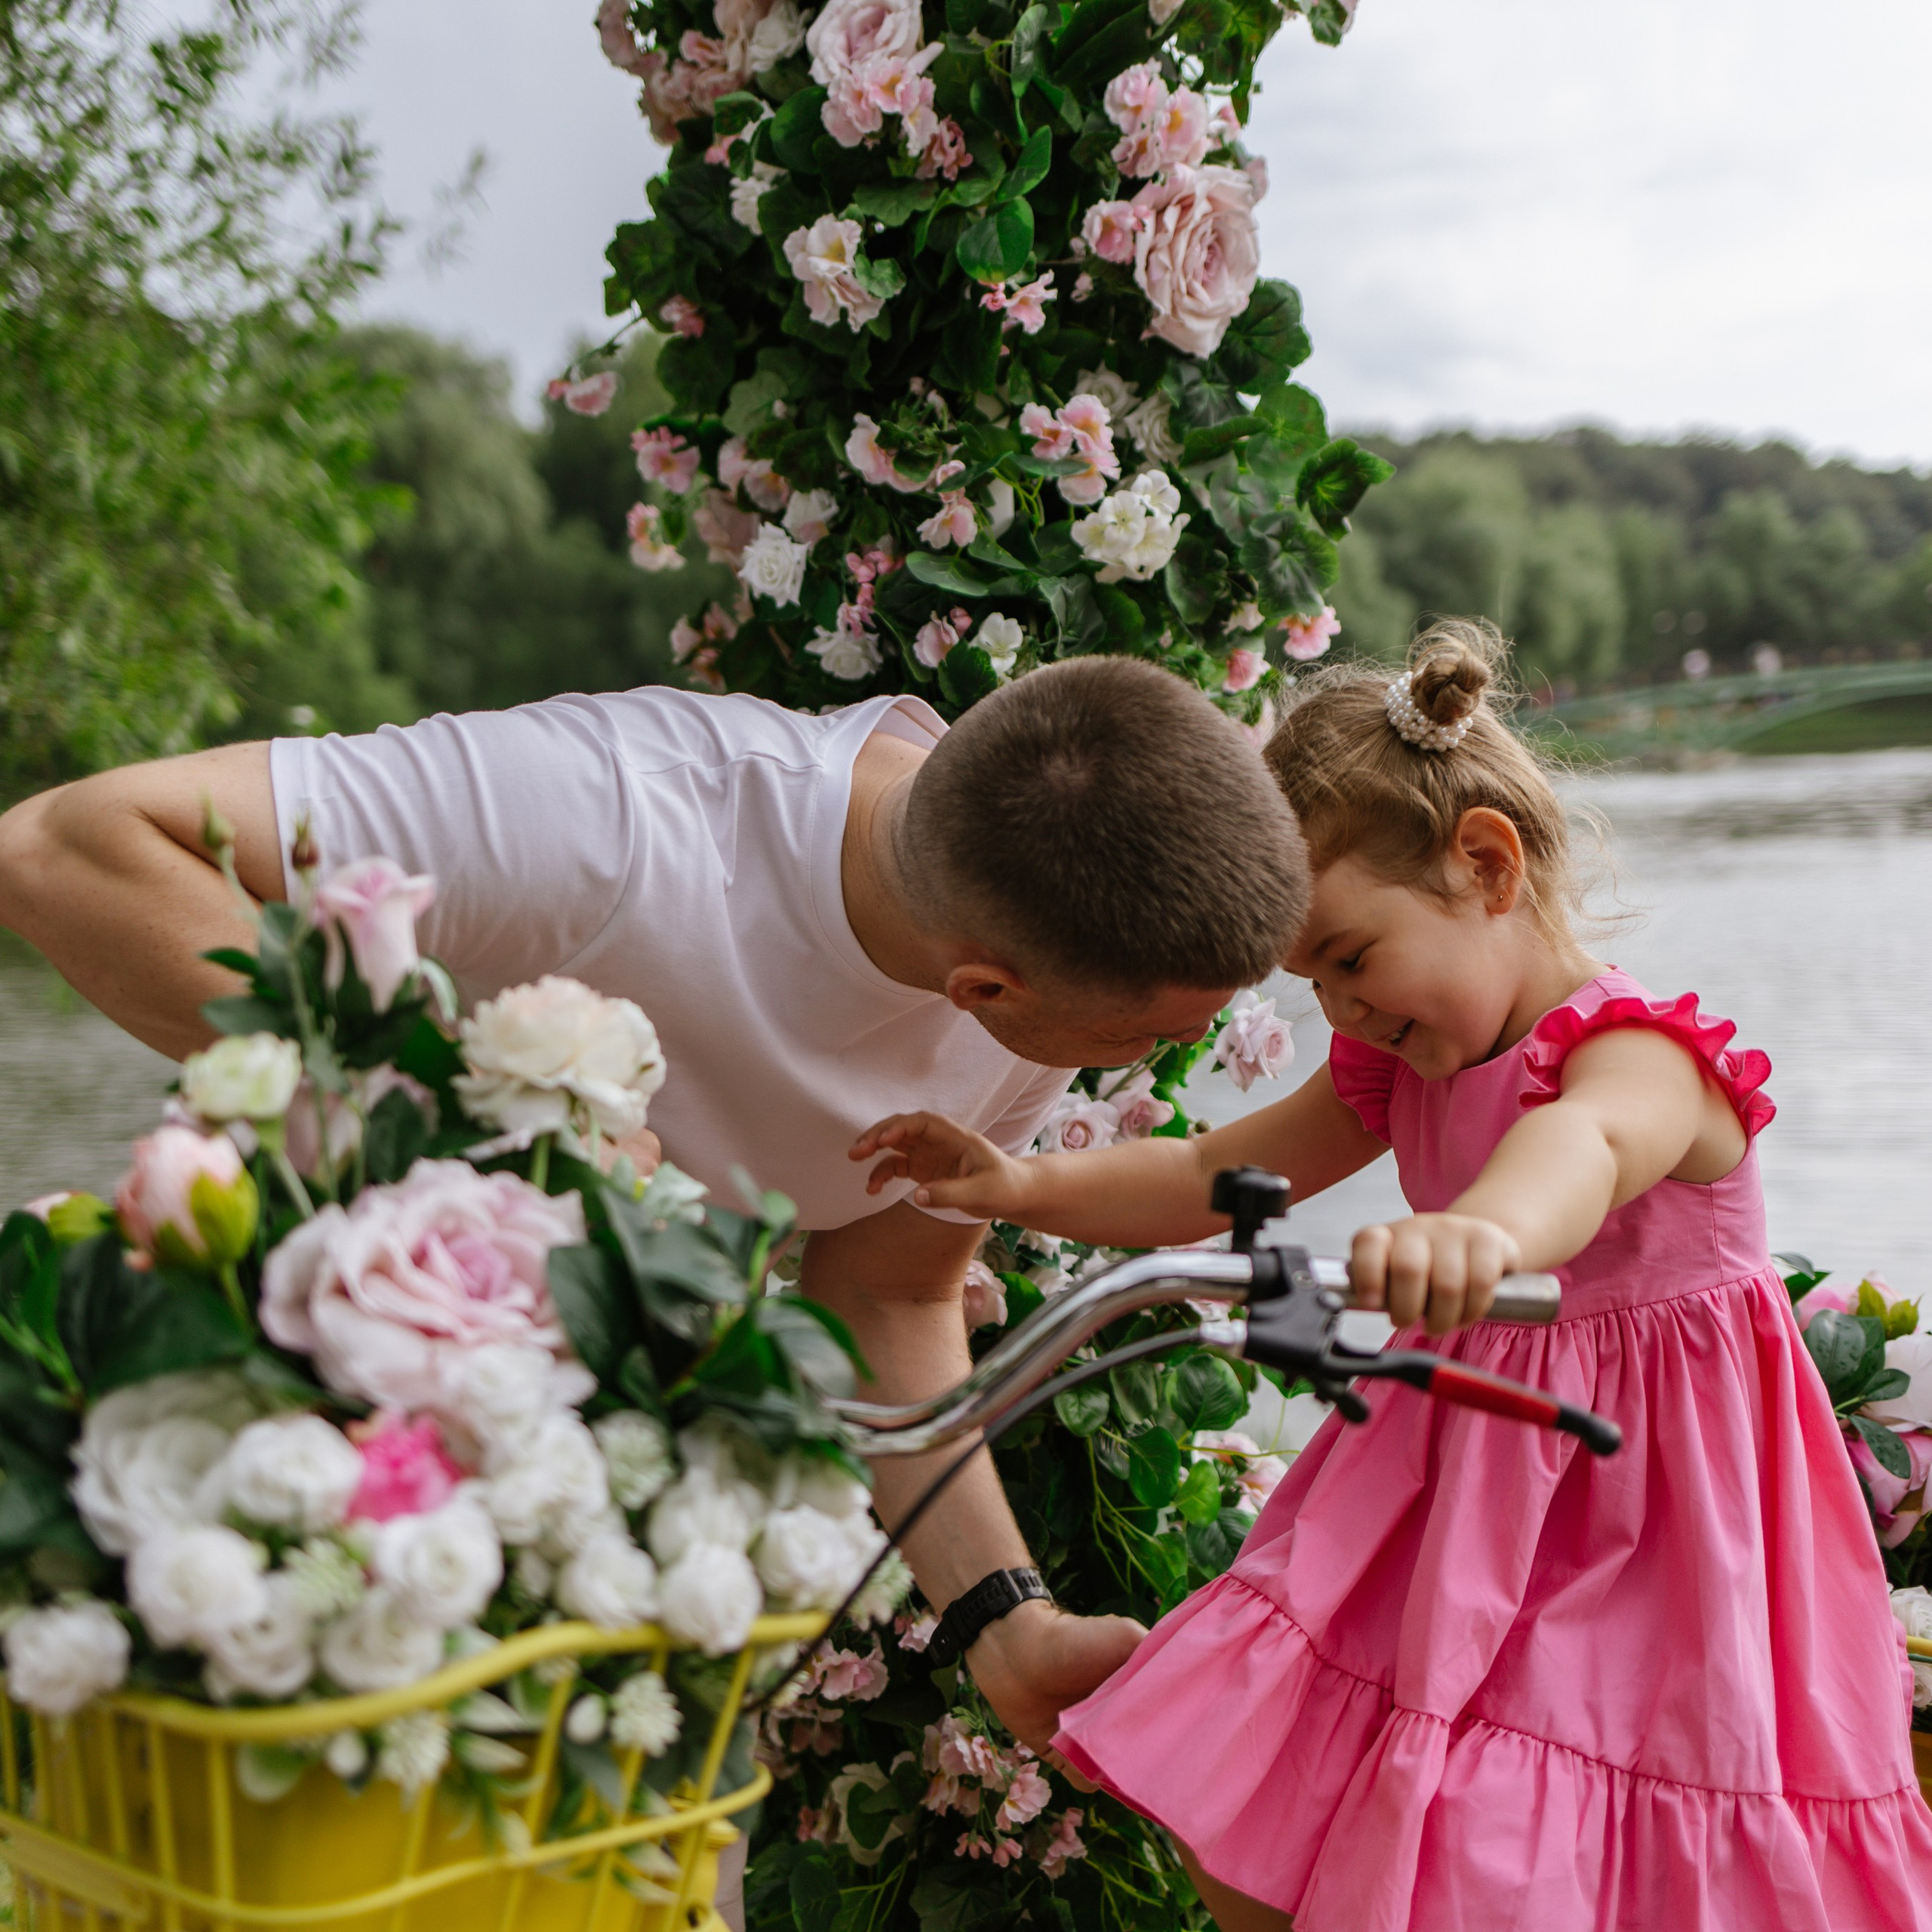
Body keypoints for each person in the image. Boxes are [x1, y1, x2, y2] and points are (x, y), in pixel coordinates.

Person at [0, 657, 1310, 1757]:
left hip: (593, 1541)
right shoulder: (606, 812)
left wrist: (1008, 1625)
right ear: (985, 990)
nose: (1144, 1063)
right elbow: (70, 847)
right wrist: (480, 1133)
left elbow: (887, 1291)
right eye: (1147, 1038)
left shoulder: (1031, 978)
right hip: (295, 1467)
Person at [851, 621, 1932, 1930]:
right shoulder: (1396, 1065)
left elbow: (1580, 1149)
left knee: (1533, 1832)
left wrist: (1482, 1232)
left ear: (1485, 864)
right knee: (1269, 1793)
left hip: (1645, 1517)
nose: (1345, 1012)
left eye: (1352, 958)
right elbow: (1215, 1172)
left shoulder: (1641, 1056)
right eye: (1311, 981)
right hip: (1455, 1485)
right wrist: (1017, 1184)